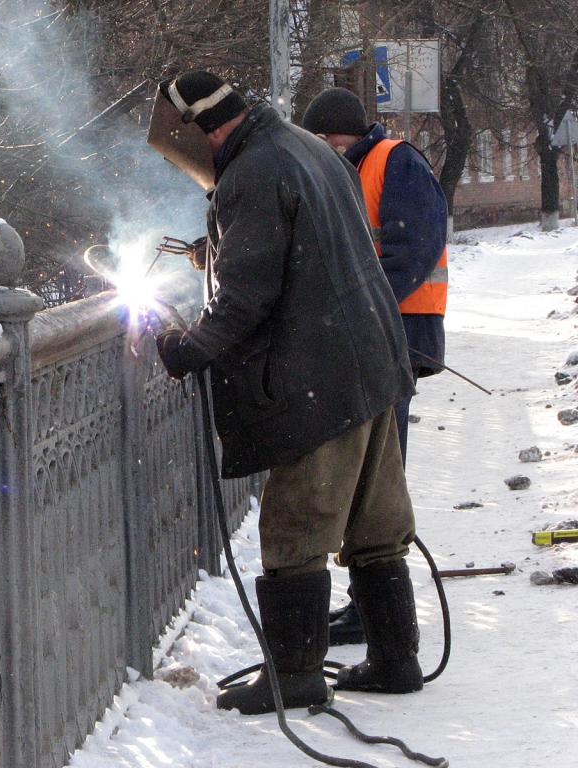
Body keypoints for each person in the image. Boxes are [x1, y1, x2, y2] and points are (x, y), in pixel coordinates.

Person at [152, 71, 424, 715]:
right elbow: (299, 245)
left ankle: (295, 675)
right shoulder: (304, 144)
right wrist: (215, 251)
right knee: (373, 522)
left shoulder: (251, 171)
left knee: (297, 522)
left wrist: (186, 348)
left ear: (195, 130)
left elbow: (246, 297)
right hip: (373, 362)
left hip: (320, 380)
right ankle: (395, 659)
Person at [302, 87, 447, 646]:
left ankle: (375, 612)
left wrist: (355, 308)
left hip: (398, 334)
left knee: (379, 476)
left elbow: (412, 253)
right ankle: (365, 604)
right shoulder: (350, 170)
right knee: (367, 473)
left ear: (336, 137)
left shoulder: (395, 162)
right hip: (375, 334)